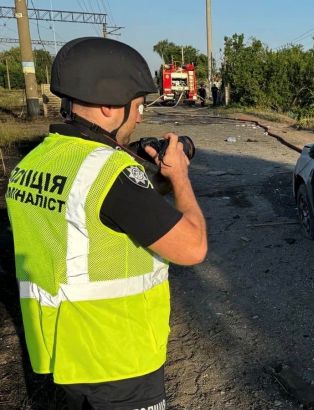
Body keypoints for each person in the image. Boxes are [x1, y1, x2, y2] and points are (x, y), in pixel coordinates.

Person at [5, 37, 207, 409]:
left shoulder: (35, 163)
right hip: (117, 360)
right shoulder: (110, 174)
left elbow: (89, 220)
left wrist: (148, 180)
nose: (141, 115)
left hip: (62, 352)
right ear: (109, 105)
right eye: (139, 105)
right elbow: (192, 248)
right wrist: (179, 177)